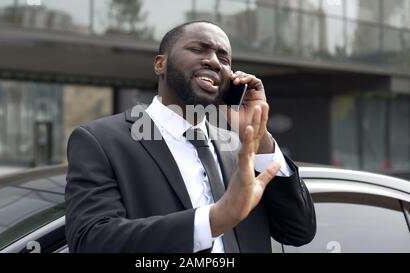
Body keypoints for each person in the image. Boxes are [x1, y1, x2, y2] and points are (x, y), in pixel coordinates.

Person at [65, 20, 316, 253]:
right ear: (160, 64)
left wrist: (258, 134)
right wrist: (216, 219)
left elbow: (298, 231)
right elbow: (91, 241)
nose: (214, 61)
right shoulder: (101, 141)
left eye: (223, 57)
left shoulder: (240, 147)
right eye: (199, 49)